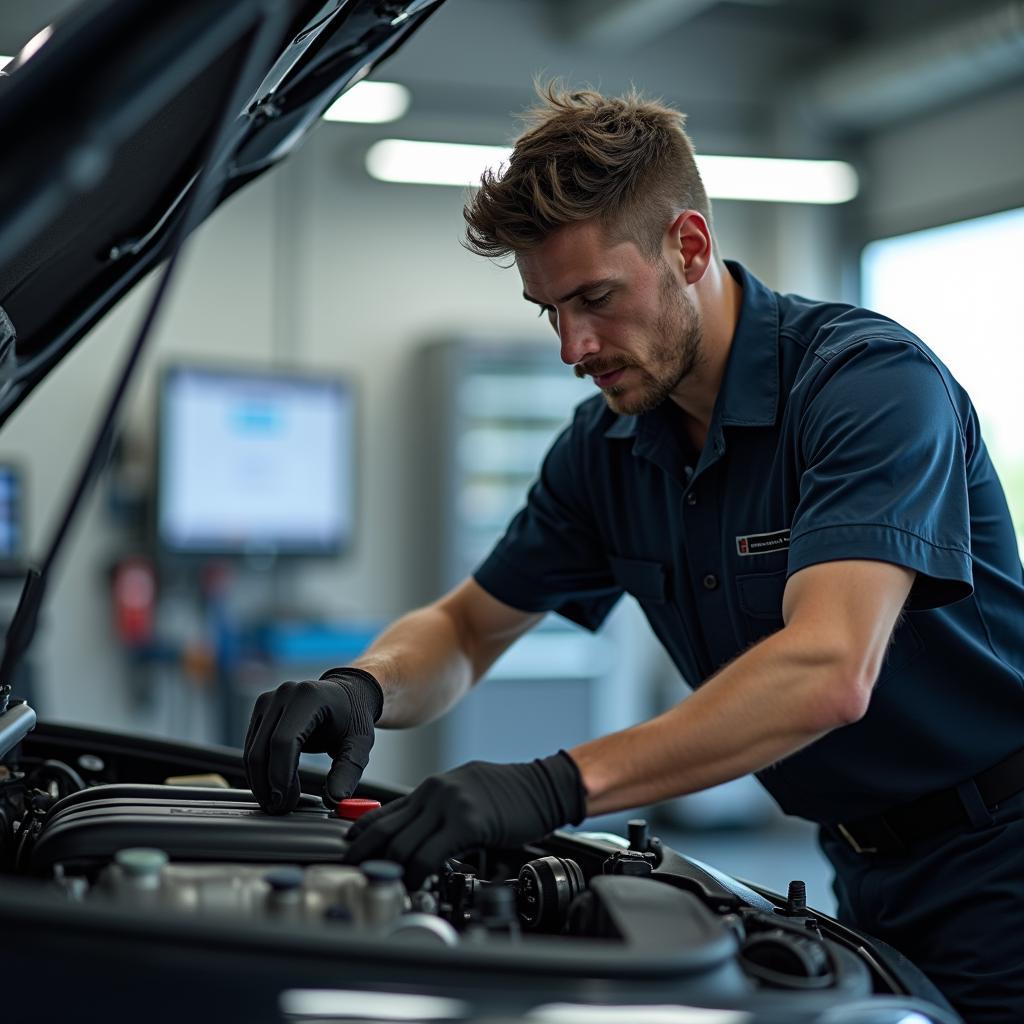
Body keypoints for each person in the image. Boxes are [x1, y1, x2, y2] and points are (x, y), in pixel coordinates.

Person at [243, 84, 1024, 1023]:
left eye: (596, 299)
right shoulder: (606, 446)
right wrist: (361, 685)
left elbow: (829, 667)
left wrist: (552, 786)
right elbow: (468, 624)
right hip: (856, 864)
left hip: (1002, 853)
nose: (575, 344)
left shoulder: (866, 388)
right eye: (550, 310)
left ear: (688, 248)